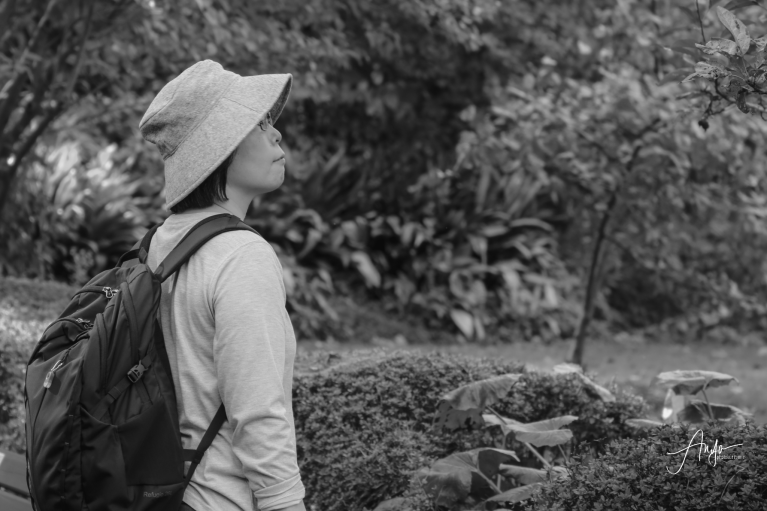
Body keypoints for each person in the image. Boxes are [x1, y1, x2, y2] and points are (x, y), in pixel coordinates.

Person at [138, 60, 306, 511]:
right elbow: (257, 413)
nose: (277, 134)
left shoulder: (159, 244)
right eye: (259, 123)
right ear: (222, 147)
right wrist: (286, 503)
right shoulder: (241, 256)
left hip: (163, 493)